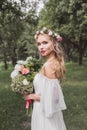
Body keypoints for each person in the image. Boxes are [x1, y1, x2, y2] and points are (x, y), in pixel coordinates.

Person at [23, 27, 67, 130]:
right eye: (39, 44)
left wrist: (31, 96)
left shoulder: (49, 66)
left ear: (53, 43)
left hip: (45, 114)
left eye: (45, 43)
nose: (41, 47)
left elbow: (54, 99)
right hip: (44, 110)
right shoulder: (53, 62)